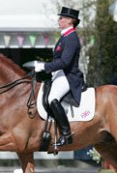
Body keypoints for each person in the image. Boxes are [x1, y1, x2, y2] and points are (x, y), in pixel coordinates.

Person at [34, 6, 85, 146]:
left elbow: (65, 62)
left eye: (62, 18)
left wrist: (45, 66)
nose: (59, 20)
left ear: (70, 21)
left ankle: (66, 134)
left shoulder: (71, 38)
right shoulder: (64, 36)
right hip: (59, 74)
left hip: (68, 75)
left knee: (52, 99)